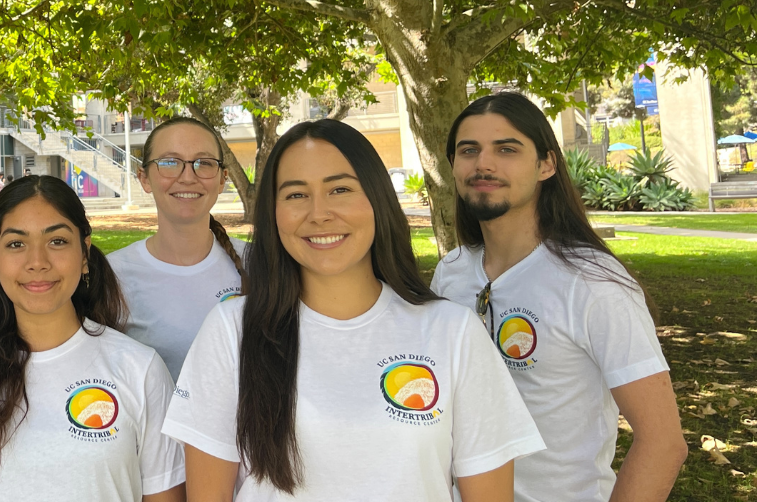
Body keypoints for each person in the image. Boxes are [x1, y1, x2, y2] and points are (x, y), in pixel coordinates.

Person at [166, 119, 545, 501]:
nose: (320, 213)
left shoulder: (452, 331)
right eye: (296, 195)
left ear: (377, 199)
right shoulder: (233, 330)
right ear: (273, 213)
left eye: (340, 189)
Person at [430, 93, 686, 502]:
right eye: (468, 150)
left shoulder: (593, 282)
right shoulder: (451, 273)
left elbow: (663, 443)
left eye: (507, 149)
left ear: (546, 164)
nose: (484, 164)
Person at [0, 175, 185, 501]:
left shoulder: (140, 370)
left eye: (57, 241)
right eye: (16, 244)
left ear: (84, 253)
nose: (37, 262)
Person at [109, 117, 245, 379]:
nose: (187, 177)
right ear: (144, 178)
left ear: (221, 179)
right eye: (170, 163)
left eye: (203, 163)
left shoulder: (260, 262)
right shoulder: (113, 275)